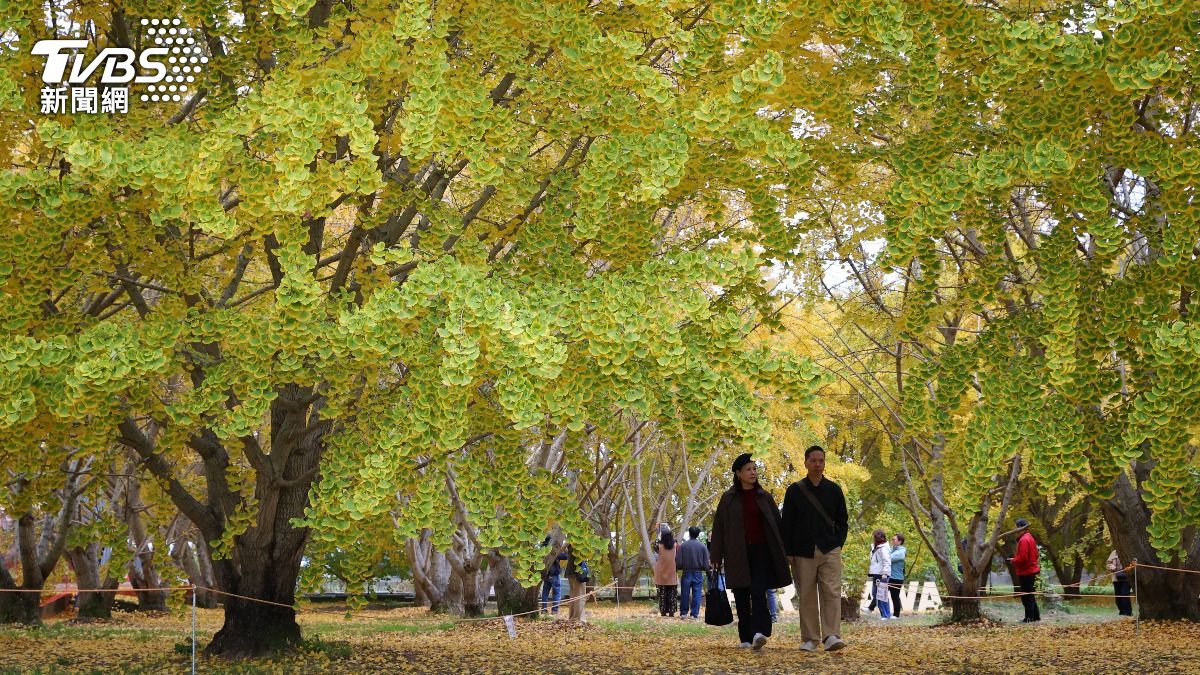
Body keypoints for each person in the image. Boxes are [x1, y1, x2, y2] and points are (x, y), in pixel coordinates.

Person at [710, 452, 792, 650]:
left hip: (762, 552)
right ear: (738, 473)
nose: (753, 472)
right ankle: (745, 638)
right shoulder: (728, 499)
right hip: (737, 552)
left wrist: (785, 551)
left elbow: (777, 525)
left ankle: (758, 633)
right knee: (741, 594)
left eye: (755, 468)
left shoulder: (764, 496)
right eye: (748, 469)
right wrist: (715, 556)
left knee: (758, 592)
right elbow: (719, 528)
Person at [782, 445, 849, 652]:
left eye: (821, 460)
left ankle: (831, 636)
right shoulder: (794, 491)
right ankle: (810, 638)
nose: (818, 464)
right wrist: (789, 551)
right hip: (802, 551)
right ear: (805, 463)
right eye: (813, 461)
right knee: (807, 595)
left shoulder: (834, 490)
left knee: (831, 592)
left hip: (830, 549)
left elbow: (842, 521)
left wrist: (837, 543)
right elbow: (787, 523)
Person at [1007, 518, 1040, 623]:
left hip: (1026, 571)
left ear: (1020, 528)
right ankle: (1035, 616)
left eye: (1015, 527)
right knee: (1030, 595)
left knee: (1026, 596)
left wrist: (1013, 560)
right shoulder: (1029, 537)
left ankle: (1029, 618)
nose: (1014, 529)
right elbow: (1035, 554)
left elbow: (1023, 558)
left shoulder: (1024, 540)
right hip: (1030, 570)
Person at [676, 526, 709, 620]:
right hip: (698, 572)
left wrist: (681, 567)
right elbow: (706, 563)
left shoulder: (683, 546)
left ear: (689, 534)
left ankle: (683, 613)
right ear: (698, 535)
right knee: (697, 593)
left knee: (685, 593)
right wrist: (705, 569)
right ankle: (694, 614)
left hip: (686, 572)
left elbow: (678, 562)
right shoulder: (702, 546)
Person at [653, 526, 679, 617]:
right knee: (672, 593)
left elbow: (655, 547)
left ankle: (663, 611)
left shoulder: (658, 545)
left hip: (661, 571)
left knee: (662, 594)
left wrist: (658, 537)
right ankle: (672, 611)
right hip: (672, 571)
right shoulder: (675, 544)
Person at [868, 529, 892, 619]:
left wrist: (885, 574)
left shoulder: (884, 548)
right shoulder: (875, 547)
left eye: (874, 536)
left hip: (882, 574)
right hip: (876, 574)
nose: (873, 538)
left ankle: (885, 615)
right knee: (875, 593)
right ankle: (884, 614)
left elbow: (887, 562)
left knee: (882, 594)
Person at [540, 543, 569, 615]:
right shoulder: (553, 552)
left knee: (545, 593)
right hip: (554, 575)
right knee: (556, 593)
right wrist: (565, 549)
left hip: (546, 575)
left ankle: (544, 609)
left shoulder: (542, 551)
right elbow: (565, 556)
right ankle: (554, 611)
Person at [565, 544, 588, 622]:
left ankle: (572, 617)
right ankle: (578, 619)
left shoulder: (570, 543)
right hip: (578, 573)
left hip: (570, 572)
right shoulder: (580, 542)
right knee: (580, 596)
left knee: (573, 596)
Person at [1106, 549, 1133, 617]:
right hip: (1116, 578)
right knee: (1118, 596)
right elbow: (1108, 563)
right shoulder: (1114, 552)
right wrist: (1111, 566)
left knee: (1124, 593)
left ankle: (1128, 612)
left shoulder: (1130, 550)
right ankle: (1121, 612)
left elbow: (1135, 563)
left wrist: (1130, 567)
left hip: (1128, 577)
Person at [889, 534, 907, 617]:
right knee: (880, 593)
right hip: (889, 576)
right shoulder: (891, 549)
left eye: (894, 539)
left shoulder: (901, 552)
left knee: (895, 596)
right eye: (892, 539)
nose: (892, 541)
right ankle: (872, 608)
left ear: (899, 542)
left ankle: (896, 615)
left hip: (896, 578)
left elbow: (888, 558)